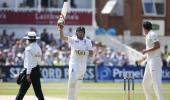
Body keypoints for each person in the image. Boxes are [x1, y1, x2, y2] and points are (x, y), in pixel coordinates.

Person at [58, 25, 93, 100]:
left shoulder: (88, 41)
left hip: (83, 64)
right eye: (79, 32)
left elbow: (91, 53)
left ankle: (75, 99)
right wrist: (60, 29)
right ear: (76, 33)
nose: (80, 34)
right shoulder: (73, 39)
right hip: (74, 62)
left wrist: (82, 52)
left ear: (84, 33)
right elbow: (63, 37)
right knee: (72, 80)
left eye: (82, 32)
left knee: (78, 83)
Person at [137, 21, 164, 100]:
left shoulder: (152, 34)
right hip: (150, 61)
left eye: (143, 28)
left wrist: (146, 50)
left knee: (156, 83)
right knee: (145, 83)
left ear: (144, 28)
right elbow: (150, 52)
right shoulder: (148, 35)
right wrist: (142, 59)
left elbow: (158, 45)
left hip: (155, 61)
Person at [15, 31, 45, 100]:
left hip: (29, 72)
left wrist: (28, 74)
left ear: (29, 40)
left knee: (22, 91)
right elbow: (39, 61)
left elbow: (28, 62)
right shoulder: (38, 47)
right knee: (38, 92)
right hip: (37, 70)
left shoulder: (28, 49)